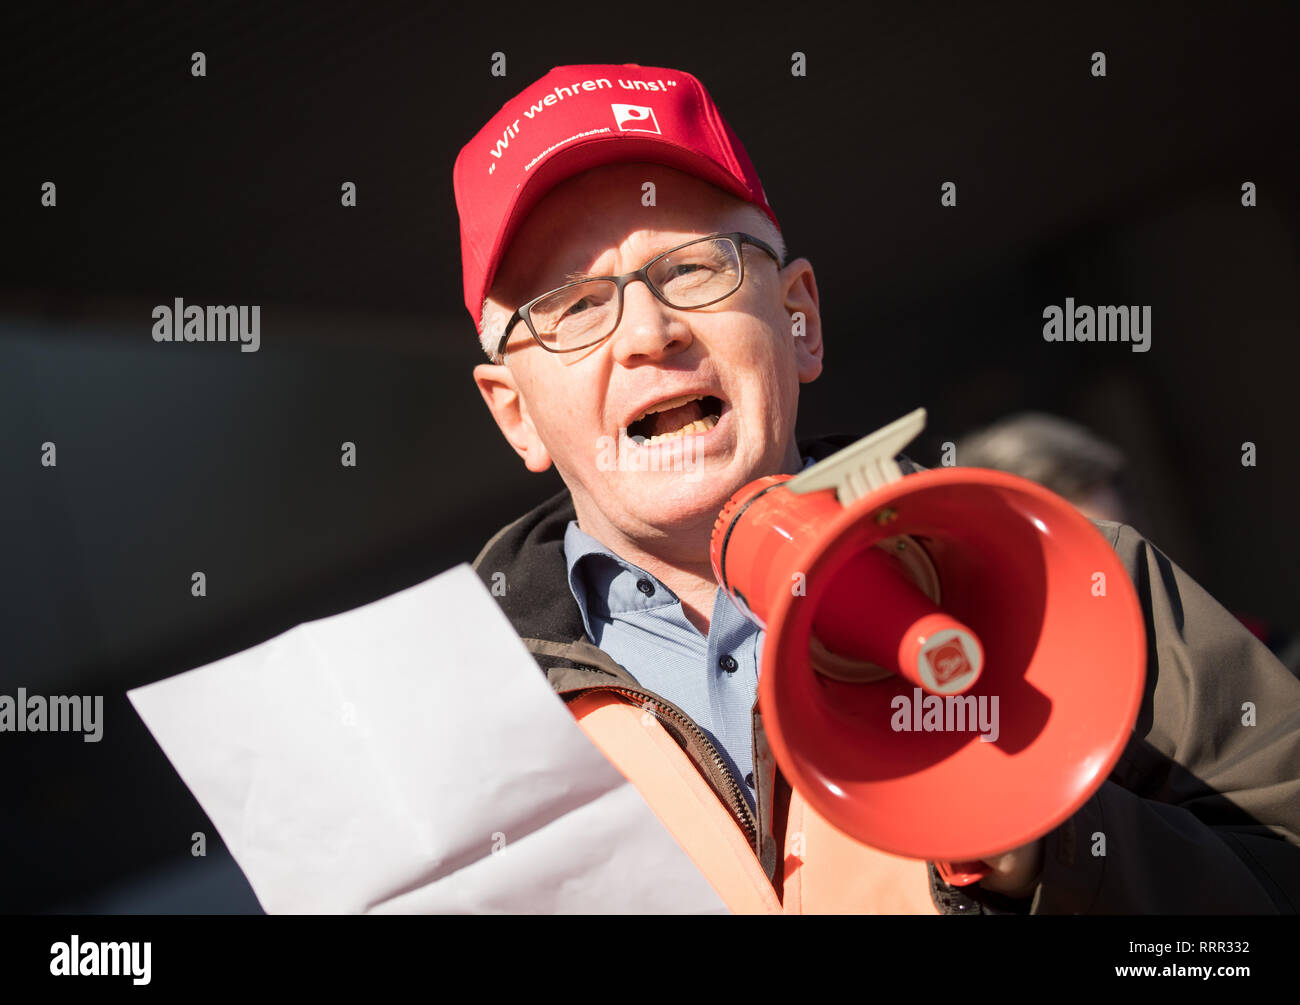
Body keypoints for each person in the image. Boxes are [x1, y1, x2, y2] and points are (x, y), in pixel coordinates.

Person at [453, 63, 1300, 913]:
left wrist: (1045, 855)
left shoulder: (1068, 576)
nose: (649, 331)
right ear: (514, 413)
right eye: (572, 305)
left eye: (693, 268)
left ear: (800, 320)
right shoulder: (449, 717)